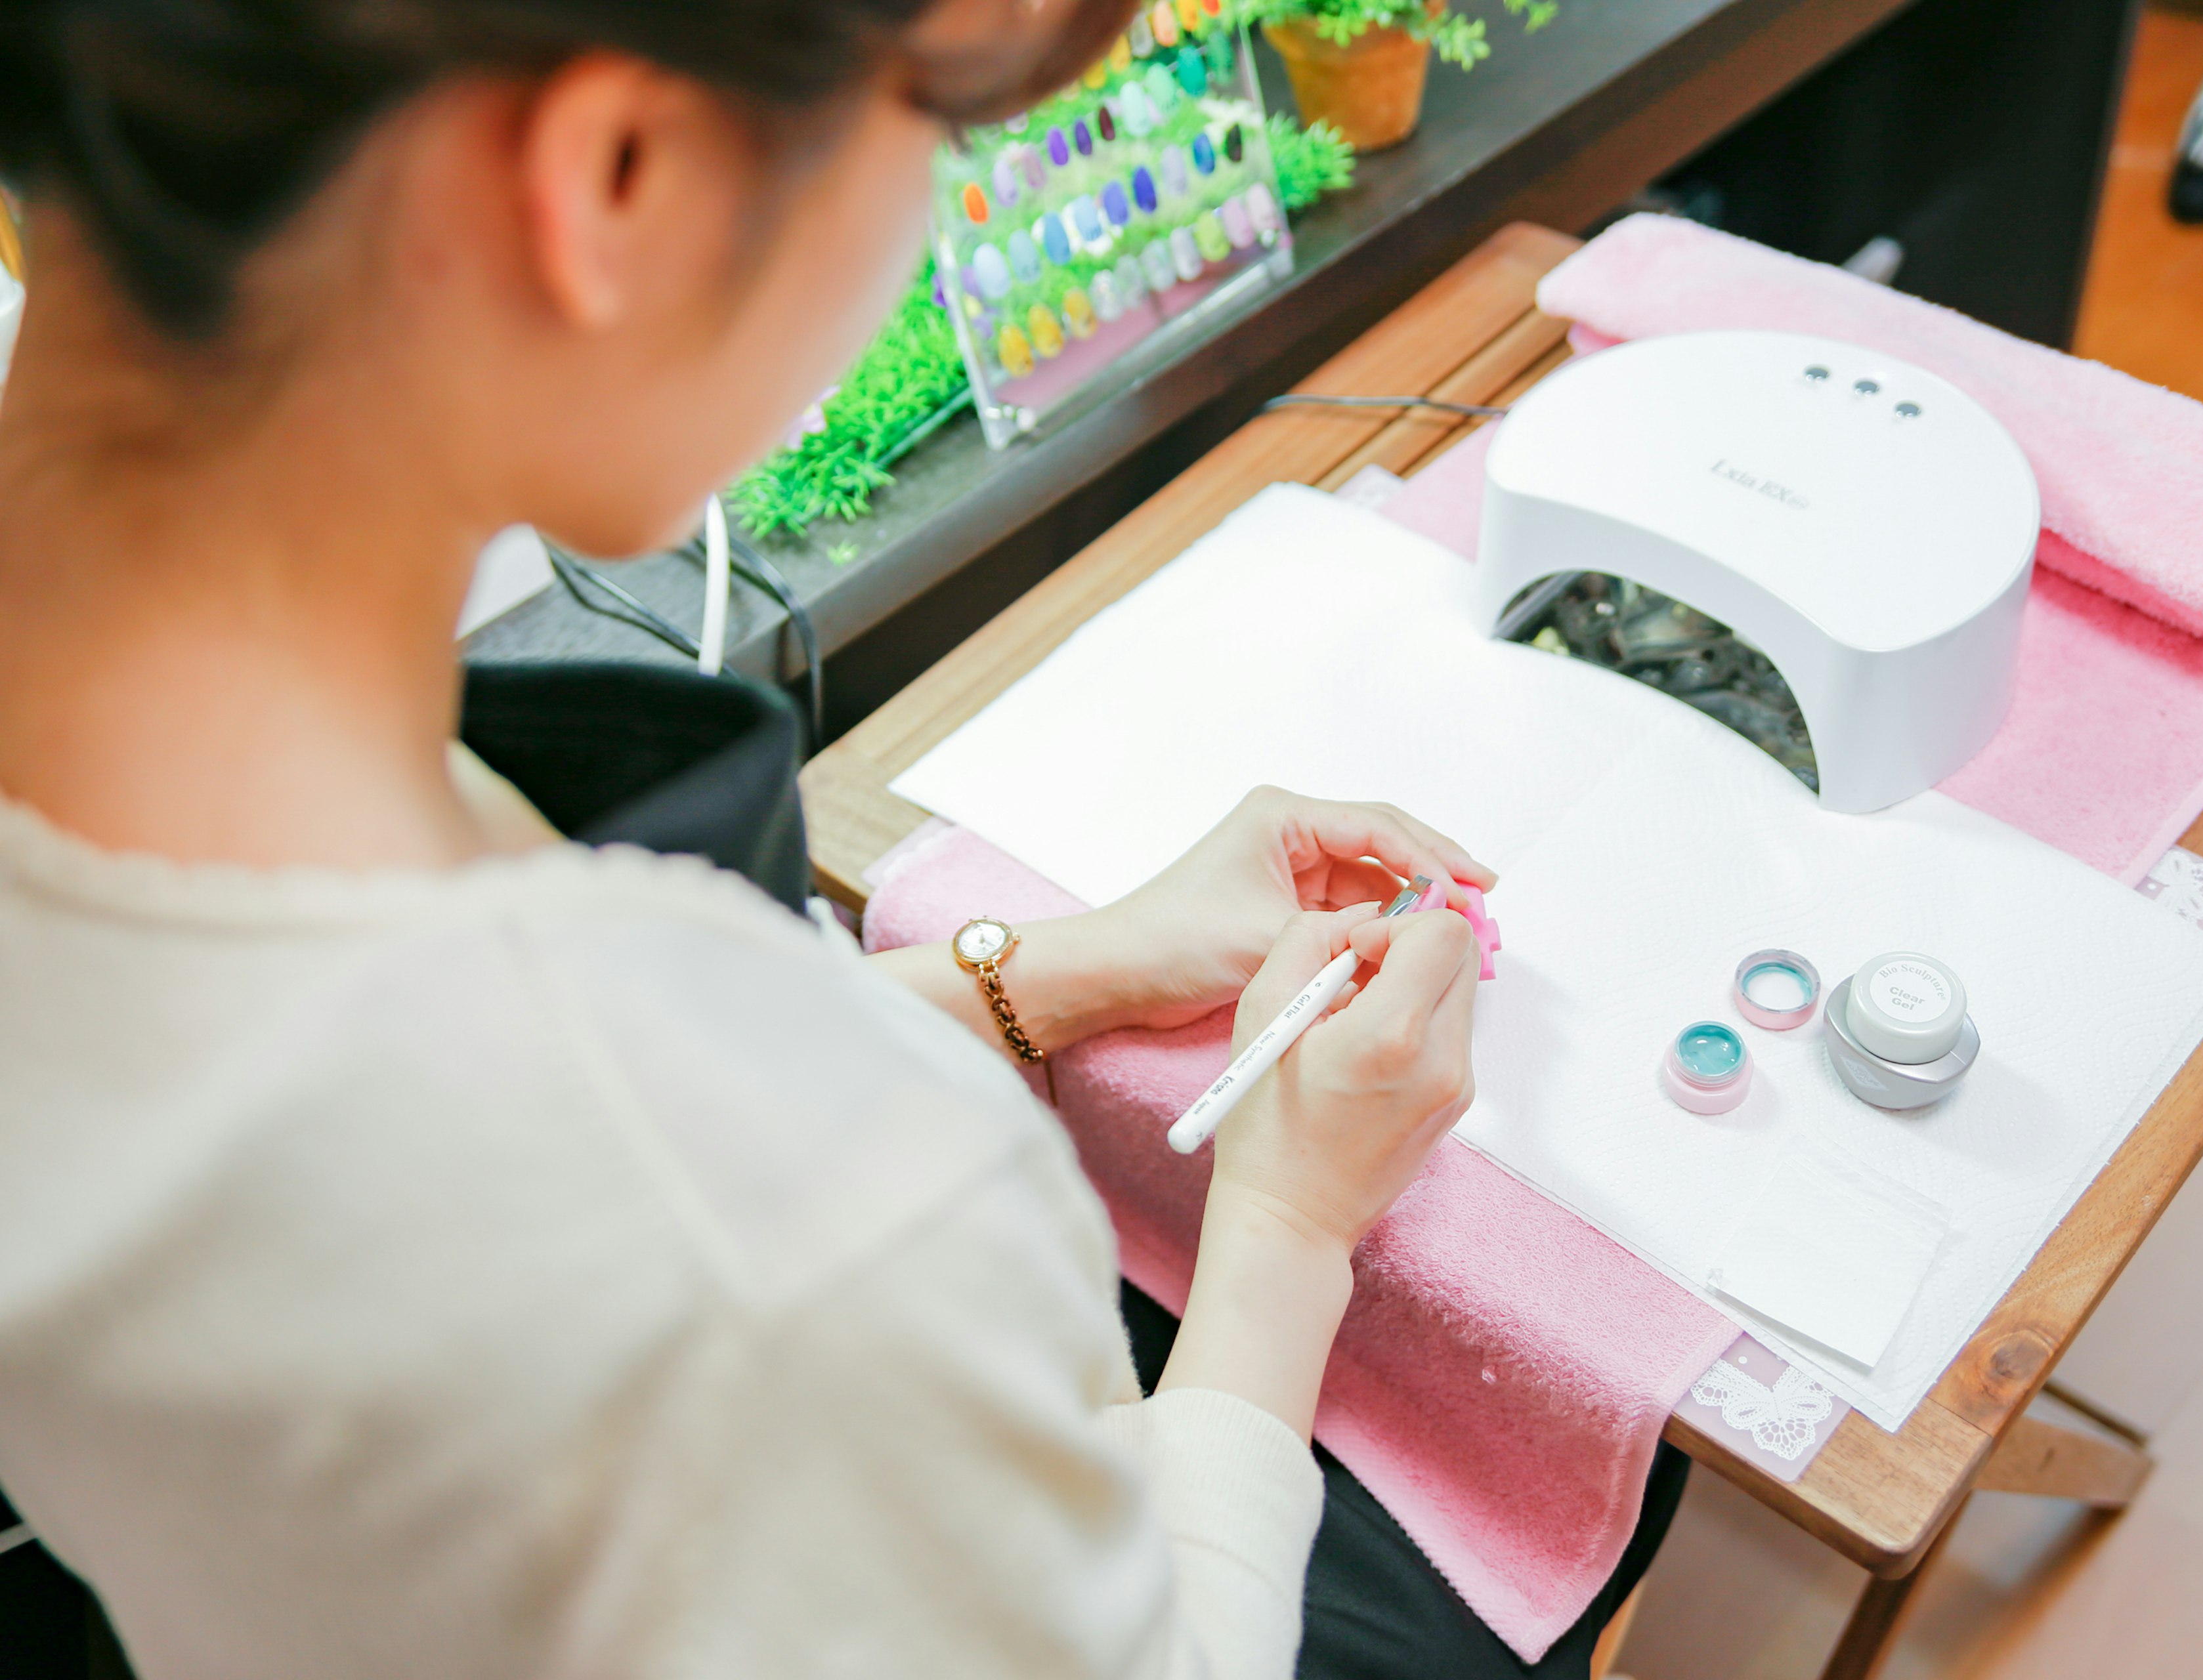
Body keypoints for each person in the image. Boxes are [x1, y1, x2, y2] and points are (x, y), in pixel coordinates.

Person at [0, 3, 1682, 1674]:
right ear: (619, 179)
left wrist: (1057, 972)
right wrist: (1289, 1226)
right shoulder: (770, 1234)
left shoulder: (184, 780)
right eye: (935, 141)